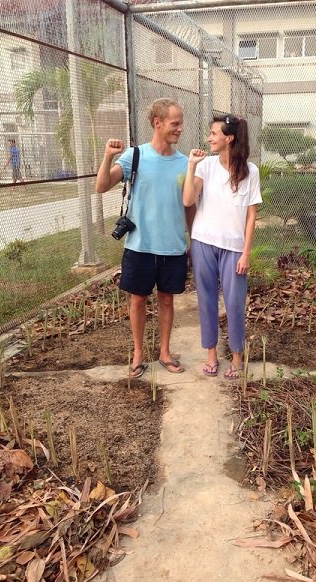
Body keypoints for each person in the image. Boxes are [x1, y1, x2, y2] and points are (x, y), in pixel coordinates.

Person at [96, 98, 194, 378]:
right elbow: (102, 185)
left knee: (167, 300)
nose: (180, 129)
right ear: (157, 123)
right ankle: (138, 353)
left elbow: (189, 206)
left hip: (173, 247)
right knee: (137, 300)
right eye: (175, 123)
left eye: (180, 123)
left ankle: (164, 352)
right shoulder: (135, 156)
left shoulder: (185, 163)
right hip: (139, 246)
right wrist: (108, 157)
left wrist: (193, 241)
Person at [182, 114, 262, 379]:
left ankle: (236, 356)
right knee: (206, 301)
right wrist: (192, 166)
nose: (209, 138)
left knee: (235, 303)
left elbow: (251, 215)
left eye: (213, 133)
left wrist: (246, 253)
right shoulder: (205, 166)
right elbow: (187, 200)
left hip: (234, 248)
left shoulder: (251, 172)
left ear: (229, 138)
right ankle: (211, 354)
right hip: (203, 242)